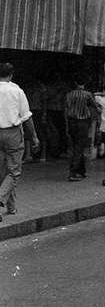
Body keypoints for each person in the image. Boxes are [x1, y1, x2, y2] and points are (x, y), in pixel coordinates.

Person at [0, 63, 40, 221]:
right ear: (11, 75)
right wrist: (34, 136)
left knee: (3, 170)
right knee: (14, 171)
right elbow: (26, 117)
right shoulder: (17, 91)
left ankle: (11, 206)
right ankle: (1, 200)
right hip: (12, 133)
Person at [64, 79, 98, 182]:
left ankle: (81, 170)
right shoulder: (87, 95)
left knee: (76, 145)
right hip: (83, 122)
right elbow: (95, 106)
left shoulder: (69, 94)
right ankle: (74, 171)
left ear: (75, 83)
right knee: (80, 147)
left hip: (71, 121)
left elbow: (66, 108)